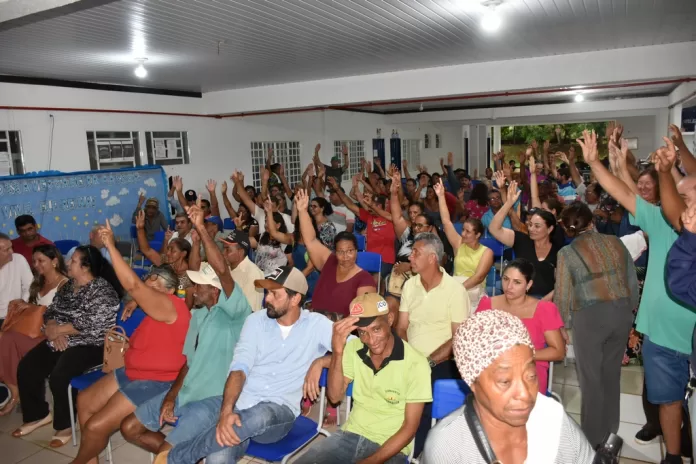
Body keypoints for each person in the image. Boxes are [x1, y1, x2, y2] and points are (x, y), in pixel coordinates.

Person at [579, 129, 696, 464]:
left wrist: (669, 166)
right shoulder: (661, 223)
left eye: (687, 200)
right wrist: (594, 163)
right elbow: (624, 192)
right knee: (668, 400)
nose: (682, 207)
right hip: (662, 335)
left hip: (688, 336)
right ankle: (673, 455)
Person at [152, 266, 334, 464]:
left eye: (274, 293)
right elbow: (239, 368)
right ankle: (213, 434)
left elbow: (355, 351)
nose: (267, 299)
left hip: (279, 414)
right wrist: (226, 413)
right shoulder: (255, 321)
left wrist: (321, 361)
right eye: (267, 292)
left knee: (261, 415)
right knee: (217, 456)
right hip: (240, 408)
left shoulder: (317, 325)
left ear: (295, 299)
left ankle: (177, 458)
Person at [120, 203, 251, 457]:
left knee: (166, 457)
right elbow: (188, 363)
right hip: (186, 391)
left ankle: (178, 454)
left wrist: (200, 228)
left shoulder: (235, 313)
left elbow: (222, 271)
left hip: (214, 398)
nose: (192, 289)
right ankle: (187, 454)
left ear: (215, 291)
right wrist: (171, 396)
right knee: (129, 427)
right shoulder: (199, 315)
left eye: (198, 285)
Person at [71, 221, 192, 464]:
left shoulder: (172, 306)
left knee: (96, 426)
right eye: (148, 279)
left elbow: (133, 285)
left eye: (153, 280)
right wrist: (136, 301)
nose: (147, 282)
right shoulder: (153, 308)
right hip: (133, 371)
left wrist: (109, 245)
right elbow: (138, 292)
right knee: (84, 399)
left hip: (157, 380)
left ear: (168, 289)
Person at [422, 310, 595, 463]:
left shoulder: (553, 421)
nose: (525, 394)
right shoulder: (449, 446)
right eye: (505, 381)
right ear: (471, 381)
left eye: (531, 377)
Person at [295, 293, 432, 464]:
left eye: (376, 329)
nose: (370, 340)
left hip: (389, 448)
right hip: (349, 436)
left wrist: (370, 462)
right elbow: (335, 397)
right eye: (362, 332)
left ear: (389, 319)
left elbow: (410, 428)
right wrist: (337, 351)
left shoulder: (416, 363)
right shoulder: (354, 348)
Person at [12, 245, 124, 447]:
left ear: (85, 267)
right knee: (27, 367)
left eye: (73, 260)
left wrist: (59, 330)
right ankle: (37, 415)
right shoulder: (68, 286)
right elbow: (52, 311)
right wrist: (53, 327)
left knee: (60, 376)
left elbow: (93, 324)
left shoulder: (103, 290)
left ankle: (64, 425)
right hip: (61, 339)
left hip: (92, 344)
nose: (69, 262)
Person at [553, 202, 638, 448]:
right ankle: (611, 433)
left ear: (568, 229)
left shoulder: (567, 254)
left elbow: (563, 294)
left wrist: (562, 326)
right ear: (592, 221)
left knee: (591, 379)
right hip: (621, 312)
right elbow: (631, 280)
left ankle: (591, 440)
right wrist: (628, 309)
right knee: (611, 374)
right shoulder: (616, 242)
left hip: (590, 317)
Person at [395, 232, 469, 455]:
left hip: (440, 360)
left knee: (423, 399)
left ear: (432, 258)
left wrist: (426, 362)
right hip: (411, 354)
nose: (410, 257)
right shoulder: (410, 286)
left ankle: (417, 452)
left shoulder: (455, 290)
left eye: (416, 252)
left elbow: (458, 339)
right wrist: (409, 356)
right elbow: (400, 327)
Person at [476, 259, 565, 395]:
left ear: (528, 285)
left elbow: (559, 352)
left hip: (529, 372)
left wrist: (522, 355)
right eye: (506, 279)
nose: (509, 286)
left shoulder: (544, 309)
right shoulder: (487, 305)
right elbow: (474, 341)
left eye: (517, 282)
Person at [0, 244, 68, 416]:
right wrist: (25, 305)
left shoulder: (64, 284)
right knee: (5, 338)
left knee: (7, 339)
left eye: (41, 261)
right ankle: (15, 392)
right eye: (34, 261)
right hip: (33, 331)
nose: (36, 265)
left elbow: (65, 315)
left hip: (48, 336)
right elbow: (35, 309)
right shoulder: (38, 282)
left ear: (54, 261)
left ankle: (15, 394)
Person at [297, 189, 375, 318]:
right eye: (340, 252)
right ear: (335, 252)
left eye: (350, 251)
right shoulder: (329, 261)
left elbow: (360, 316)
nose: (345, 256)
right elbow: (310, 240)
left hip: (341, 330)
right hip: (315, 322)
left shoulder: (364, 279)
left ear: (356, 251)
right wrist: (302, 211)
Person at [488, 181, 559, 300]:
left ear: (549, 229)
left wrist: (540, 304)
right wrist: (508, 203)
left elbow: (559, 285)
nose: (531, 229)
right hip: (518, 299)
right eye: (530, 224)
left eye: (537, 226)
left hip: (545, 302)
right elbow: (494, 229)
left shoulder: (558, 250)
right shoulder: (521, 240)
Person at [436, 180, 493, 306]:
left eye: (468, 232)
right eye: (463, 230)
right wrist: (441, 196)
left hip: (474, 290)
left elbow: (478, 278)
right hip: (456, 286)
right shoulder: (458, 244)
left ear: (477, 235)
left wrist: (457, 290)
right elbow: (446, 222)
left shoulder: (487, 252)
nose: (463, 234)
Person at [135, 210, 193, 303]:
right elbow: (147, 250)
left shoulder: (192, 273)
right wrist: (140, 229)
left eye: (173, 251)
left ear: (183, 254)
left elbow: (188, 306)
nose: (168, 253)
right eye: (168, 249)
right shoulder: (166, 263)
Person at [219, 230, 264, 312]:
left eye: (227, 249)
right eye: (223, 248)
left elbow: (250, 311)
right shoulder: (226, 267)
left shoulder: (253, 274)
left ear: (240, 252)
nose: (223, 253)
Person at [0, 233, 33, 323]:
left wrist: (23, 302)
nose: (12, 252)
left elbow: (31, 287)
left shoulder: (18, 260)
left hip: (16, 317)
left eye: (11, 247)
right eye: (7, 250)